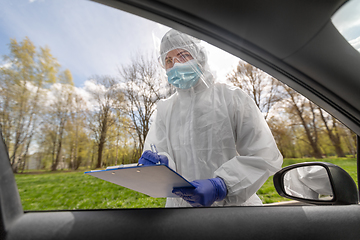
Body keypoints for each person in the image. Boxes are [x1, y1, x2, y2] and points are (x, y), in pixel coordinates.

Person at [138, 29, 283, 208]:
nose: (175, 65)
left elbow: (264, 154)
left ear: (200, 56)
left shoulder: (233, 98)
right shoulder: (165, 109)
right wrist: (159, 164)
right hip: (179, 211)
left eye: (183, 56)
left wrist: (222, 185)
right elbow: (157, 151)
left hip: (233, 211)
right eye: (168, 60)